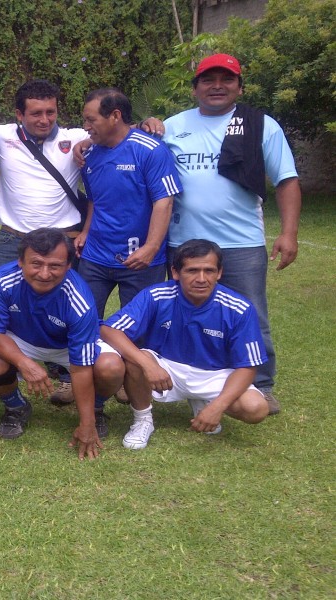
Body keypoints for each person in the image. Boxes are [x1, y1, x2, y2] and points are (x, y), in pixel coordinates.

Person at [162, 54, 301, 415]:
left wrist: (289, 233)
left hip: (241, 243)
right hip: (183, 243)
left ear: (240, 87)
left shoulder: (260, 125)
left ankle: (262, 385)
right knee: (184, 314)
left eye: (227, 79)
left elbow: (286, 180)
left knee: (251, 315)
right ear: (195, 88)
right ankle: (191, 379)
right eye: (208, 80)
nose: (217, 86)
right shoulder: (172, 126)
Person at [100, 239, 269, 449]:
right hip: (167, 367)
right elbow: (109, 330)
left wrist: (218, 406)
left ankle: (204, 402)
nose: (201, 279)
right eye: (192, 270)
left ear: (219, 273)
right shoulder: (156, 296)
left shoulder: (239, 308)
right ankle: (143, 420)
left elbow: (248, 366)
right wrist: (149, 365)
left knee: (256, 409)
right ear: (176, 272)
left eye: (209, 271)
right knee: (137, 359)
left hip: (214, 374)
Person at [0, 79, 91, 407]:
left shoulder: (75, 138)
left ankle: (67, 375)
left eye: (50, 112)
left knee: (65, 309)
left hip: (64, 242)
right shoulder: (0, 134)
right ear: (19, 114)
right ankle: (11, 373)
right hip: (13, 239)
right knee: (4, 306)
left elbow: (117, 130)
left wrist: (149, 123)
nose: (44, 120)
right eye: (35, 113)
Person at [0, 229, 124, 455]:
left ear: (68, 266)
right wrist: (25, 363)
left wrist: (86, 424)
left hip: (65, 345)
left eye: (55, 266)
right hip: (21, 339)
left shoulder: (79, 300)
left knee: (111, 367)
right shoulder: (0, 279)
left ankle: (95, 410)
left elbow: (80, 368)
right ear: (20, 261)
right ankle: (16, 407)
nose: (44, 274)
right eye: (36, 264)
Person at [76, 87, 181, 319]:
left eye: (91, 120)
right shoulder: (89, 154)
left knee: (137, 327)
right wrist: (86, 231)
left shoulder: (151, 151)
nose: (86, 126)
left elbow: (164, 202)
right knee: (83, 322)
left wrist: (151, 248)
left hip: (140, 260)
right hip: (95, 257)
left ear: (115, 116)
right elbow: (95, 199)